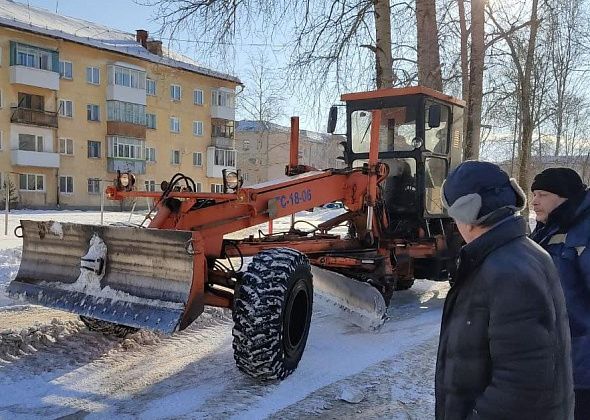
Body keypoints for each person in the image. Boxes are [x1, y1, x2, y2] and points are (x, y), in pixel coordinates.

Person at [435, 161, 574, 420]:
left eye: (453, 214)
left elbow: (523, 385)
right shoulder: (519, 254)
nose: (454, 224)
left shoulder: (506, 272)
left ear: (467, 212)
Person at [530, 167, 590, 420]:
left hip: (582, 366)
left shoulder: (583, 233)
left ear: (565, 197)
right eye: (533, 194)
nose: (534, 201)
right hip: (556, 360)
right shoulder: (547, 230)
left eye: (542, 194)